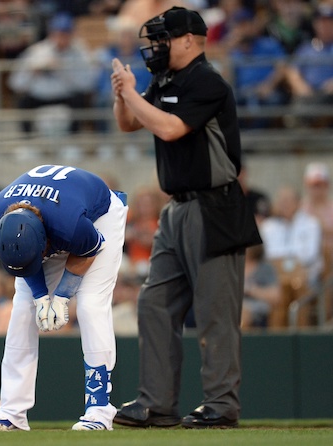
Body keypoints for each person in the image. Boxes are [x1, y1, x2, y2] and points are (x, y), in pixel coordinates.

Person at [111, 6, 261, 429]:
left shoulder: (207, 82)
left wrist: (135, 94)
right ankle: (156, 404)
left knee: (215, 312)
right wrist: (122, 92)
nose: (157, 47)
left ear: (191, 40)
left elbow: (172, 128)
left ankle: (221, 404)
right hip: (175, 209)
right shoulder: (165, 80)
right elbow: (128, 125)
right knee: (154, 303)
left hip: (215, 207)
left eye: (164, 39)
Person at [0, 164, 129, 431]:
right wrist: (39, 298)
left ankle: (99, 412)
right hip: (54, 215)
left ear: (46, 241)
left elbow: (89, 250)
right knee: (22, 309)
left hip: (99, 216)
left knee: (90, 305)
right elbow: (24, 264)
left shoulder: (69, 226)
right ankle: (11, 413)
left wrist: (61, 296)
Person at [7, 12, 96, 135]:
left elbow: (87, 84)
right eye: (58, 33)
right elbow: (15, 83)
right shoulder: (37, 51)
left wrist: (62, 69)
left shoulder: (80, 53)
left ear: (72, 34)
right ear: (51, 33)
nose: (62, 38)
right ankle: (27, 142)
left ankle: (73, 142)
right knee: (24, 102)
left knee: (79, 101)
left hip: (65, 95)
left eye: (66, 34)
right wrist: (32, 73)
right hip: (40, 97)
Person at [260, 185, 322, 289]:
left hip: (305, 275)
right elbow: (267, 254)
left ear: (298, 203)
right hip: (275, 276)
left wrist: (285, 261)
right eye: (281, 201)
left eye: (288, 201)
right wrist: (286, 261)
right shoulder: (268, 226)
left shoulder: (311, 223)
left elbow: (310, 255)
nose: (284, 205)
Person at [241, 244, 281, 329]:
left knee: (243, 312)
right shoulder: (234, 266)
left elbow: (275, 296)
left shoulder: (265, 268)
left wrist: (251, 290)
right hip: (235, 305)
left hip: (257, 308)